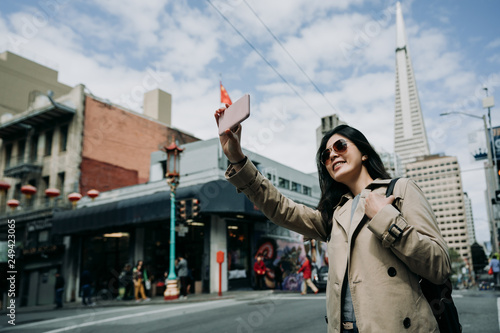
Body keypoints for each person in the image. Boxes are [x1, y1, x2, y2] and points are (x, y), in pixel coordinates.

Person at [214, 111, 451, 333]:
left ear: (364, 152)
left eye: (340, 146)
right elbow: (279, 208)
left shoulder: (401, 189)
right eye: (326, 155)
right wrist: (237, 159)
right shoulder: (334, 214)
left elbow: (439, 266)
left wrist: (387, 220)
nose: (333, 155)